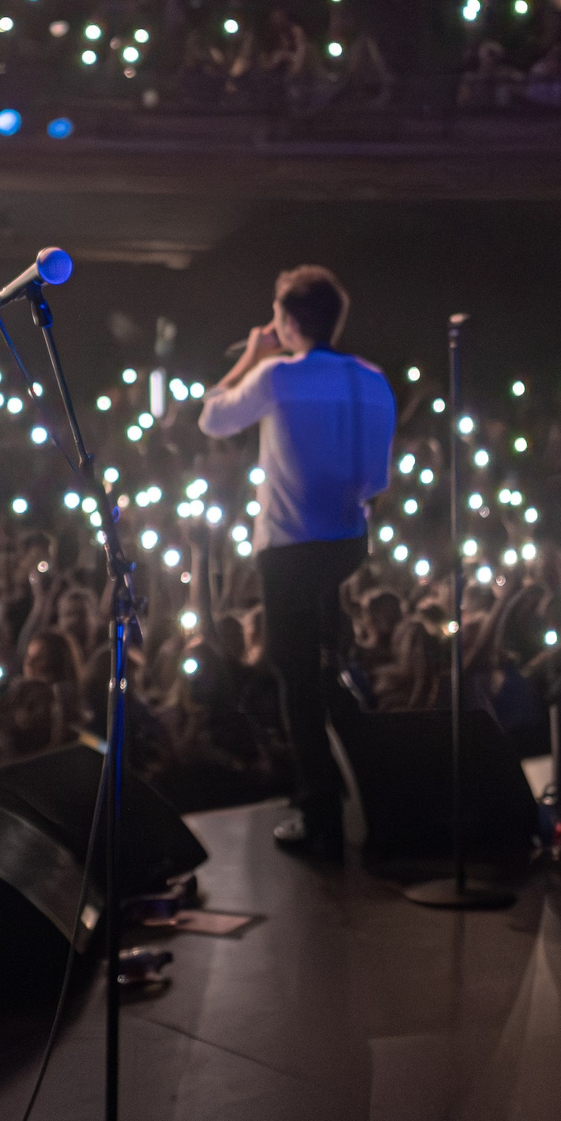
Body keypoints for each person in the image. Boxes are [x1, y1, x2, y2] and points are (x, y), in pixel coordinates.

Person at [197, 265, 395, 859]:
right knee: (328, 667)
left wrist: (253, 357)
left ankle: (321, 815)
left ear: (285, 321)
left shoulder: (278, 376)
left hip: (289, 547)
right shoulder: (372, 380)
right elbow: (377, 477)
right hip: (347, 541)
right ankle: (373, 789)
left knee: (297, 678)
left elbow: (213, 417)